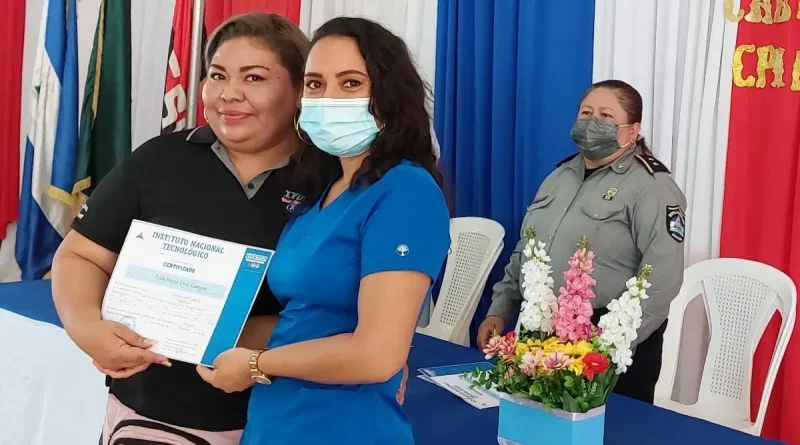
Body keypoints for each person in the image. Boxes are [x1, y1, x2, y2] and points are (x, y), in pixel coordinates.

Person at [51, 13, 340, 444]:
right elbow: (81, 254)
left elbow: (348, 310)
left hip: (287, 416)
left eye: (254, 78)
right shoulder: (158, 160)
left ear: (299, 90)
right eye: (217, 75)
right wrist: (86, 328)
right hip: (154, 416)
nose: (229, 94)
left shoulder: (334, 179)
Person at [196, 17, 451, 445]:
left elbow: (376, 355)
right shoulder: (322, 191)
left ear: (388, 96)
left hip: (344, 426)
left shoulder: (406, 192)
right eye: (315, 84)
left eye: (350, 83)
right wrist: (186, 326)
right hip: (277, 420)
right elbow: (302, 318)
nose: (328, 98)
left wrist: (258, 364)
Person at [476, 79, 686, 404]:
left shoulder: (651, 186)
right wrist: (499, 309)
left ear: (632, 131)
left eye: (605, 115)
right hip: (545, 336)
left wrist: (611, 346)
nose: (592, 123)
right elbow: (527, 251)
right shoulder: (559, 176)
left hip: (607, 346)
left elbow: (662, 276)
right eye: (586, 112)